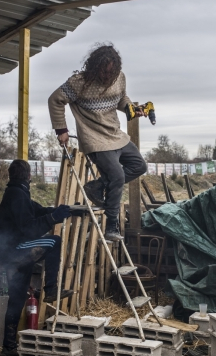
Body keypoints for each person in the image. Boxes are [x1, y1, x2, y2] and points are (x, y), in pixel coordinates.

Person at [48, 43, 147, 241]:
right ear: (95, 67)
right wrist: (62, 130)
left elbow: (121, 99)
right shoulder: (79, 82)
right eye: (104, 71)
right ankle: (112, 226)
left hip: (114, 133)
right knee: (117, 176)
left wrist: (133, 109)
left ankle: (96, 186)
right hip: (94, 137)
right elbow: (55, 100)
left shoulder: (119, 78)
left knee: (139, 165)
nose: (107, 76)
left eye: (111, 72)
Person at [0, 160, 75, 356]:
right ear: (28, 176)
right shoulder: (17, 195)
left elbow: (37, 210)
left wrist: (56, 211)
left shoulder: (16, 192)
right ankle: (51, 289)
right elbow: (29, 228)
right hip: (15, 251)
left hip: (10, 253)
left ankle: (8, 348)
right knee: (54, 242)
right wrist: (54, 217)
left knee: (17, 299)